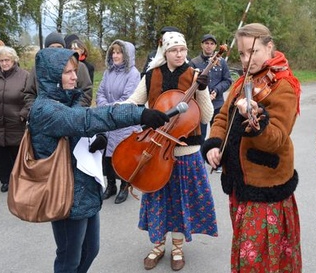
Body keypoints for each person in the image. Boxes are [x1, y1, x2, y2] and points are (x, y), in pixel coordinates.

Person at [28, 47, 169, 273]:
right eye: (67, 72)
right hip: (66, 195)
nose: (75, 76)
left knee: (90, 250)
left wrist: (99, 137)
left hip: (85, 188)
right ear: (51, 75)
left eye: (75, 70)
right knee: (68, 259)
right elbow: (85, 120)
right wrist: (139, 114)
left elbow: (82, 128)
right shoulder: (46, 109)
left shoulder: (68, 100)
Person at [201, 23, 302, 272]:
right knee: (246, 251)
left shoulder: (284, 86)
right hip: (240, 184)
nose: (247, 60)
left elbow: (276, 138)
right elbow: (222, 118)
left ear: (270, 47)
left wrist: (259, 121)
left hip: (265, 187)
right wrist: (214, 144)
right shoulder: (242, 83)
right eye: (243, 54)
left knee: (261, 259)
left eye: (253, 52)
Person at [126, 31, 218, 271]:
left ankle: (177, 247)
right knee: (158, 200)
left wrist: (202, 91)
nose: (180, 54)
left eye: (183, 50)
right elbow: (132, 103)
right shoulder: (151, 75)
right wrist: (109, 113)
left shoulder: (196, 75)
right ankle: (158, 245)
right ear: (165, 52)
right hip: (156, 150)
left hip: (186, 151)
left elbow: (207, 116)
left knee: (180, 202)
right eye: (174, 50)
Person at [96, 39, 141, 204]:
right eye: (113, 52)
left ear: (126, 54)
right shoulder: (108, 72)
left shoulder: (133, 74)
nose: (115, 55)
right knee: (107, 155)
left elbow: (128, 98)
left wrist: (108, 108)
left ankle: (124, 185)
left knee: (123, 155)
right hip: (108, 120)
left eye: (119, 52)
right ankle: (111, 185)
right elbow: (100, 92)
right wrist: (105, 107)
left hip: (124, 122)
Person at [0, 46, 30, 193]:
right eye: (1, 60)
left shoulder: (25, 76)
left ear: (13, 60)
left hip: (16, 122)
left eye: (7, 60)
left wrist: (22, 115)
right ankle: (6, 180)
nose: (4, 63)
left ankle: (20, 180)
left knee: (17, 153)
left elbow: (30, 99)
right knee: (1, 152)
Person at [24, 32, 93, 110]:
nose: (56, 50)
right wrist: (37, 110)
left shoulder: (79, 66)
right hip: (44, 118)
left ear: (64, 48)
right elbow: (29, 94)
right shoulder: (37, 69)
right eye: (52, 47)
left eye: (59, 47)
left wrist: (73, 111)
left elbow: (86, 92)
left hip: (72, 117)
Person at [190, 33, 232, 142]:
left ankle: (213, 158)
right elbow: (190, 82)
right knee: (200, 136)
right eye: (206, 43)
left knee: (217, 135)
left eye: (212, 44)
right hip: (200, 106)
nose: (209, 46)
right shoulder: (194, 62)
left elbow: (227, 80)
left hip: (217, 104)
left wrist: (216, 91)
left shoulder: (222, 62)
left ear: (215, 46)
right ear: (202, 45)